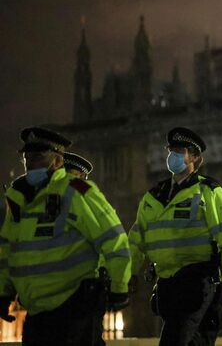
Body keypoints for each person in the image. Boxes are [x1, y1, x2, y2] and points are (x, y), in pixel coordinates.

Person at [0, 127, 131, 345]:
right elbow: (7, 252)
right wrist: (4, 293)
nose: (31, 163)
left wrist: (119, 288)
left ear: (58, 161)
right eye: (27, 158)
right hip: (37, 312)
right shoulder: (18, 199)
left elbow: (113, 238)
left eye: (38, 157)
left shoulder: (76, 191)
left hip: (74, 307)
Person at [128, 127, 222, 346]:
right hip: (166, 284)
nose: (173, 155)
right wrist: (129, 273)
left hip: (196, 281)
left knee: (173, 340)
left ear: (195, 157)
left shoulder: (208, 192)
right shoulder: (154, 196)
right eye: (171, 150)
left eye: (179, 150)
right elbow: (136, 239)